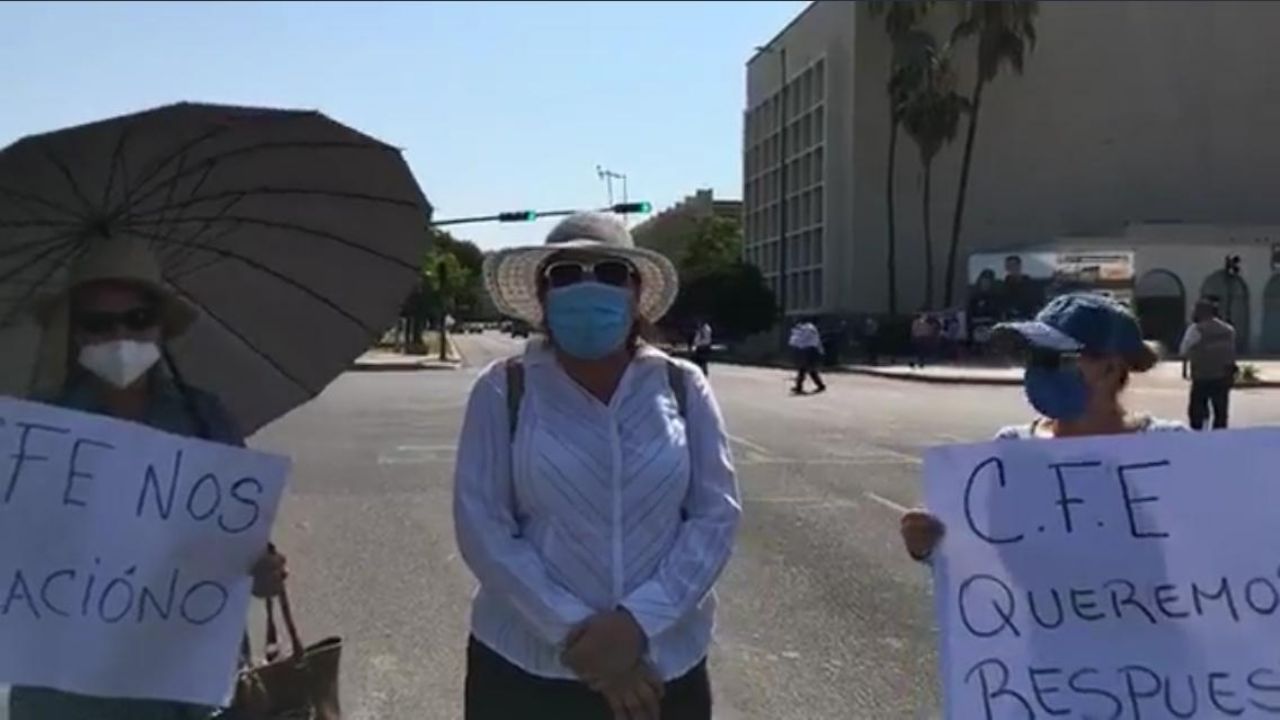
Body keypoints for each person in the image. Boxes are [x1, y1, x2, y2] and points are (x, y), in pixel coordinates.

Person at [455, 212, 741, 720]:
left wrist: (636, 625)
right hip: (525, 674)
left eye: (610, 272)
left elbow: (714, 516)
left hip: (663, 671)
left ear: (636, 294)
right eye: (565, 274)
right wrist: (581, 638)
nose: (588, 286)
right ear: (543, 297)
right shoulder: (504, 389)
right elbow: (484, 530)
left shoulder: (683, 385)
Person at [11, 238, 287, 720]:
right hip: (66, 698)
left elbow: (240, 544)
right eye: (99, 323)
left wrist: (261, 570)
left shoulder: (205, 418)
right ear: (75, 332)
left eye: (137, 319)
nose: (120, 335)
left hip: (185, 691)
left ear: (161, 326)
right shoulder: (34, 432)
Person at [898, 292, 1182, 562]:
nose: (1036, 371)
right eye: (1032, 357)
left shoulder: (1171, 447)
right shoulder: (1010, 448)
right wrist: (929, 544)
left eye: (1050, 359)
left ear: (1109, 369)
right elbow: (981, 557)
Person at [1180, 298, 1238, 430]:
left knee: (1197, 411)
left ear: (1201, 312)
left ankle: (1199, 439)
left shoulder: (1195, 329)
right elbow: (1231, 352)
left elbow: (1183, 349)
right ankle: (1219, 438)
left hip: (1202, 376)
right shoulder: (1228, 330)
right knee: (1221, 412)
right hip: (1223, 375)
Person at [788, 318, 826, 394]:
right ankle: (818, 385)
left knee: (805, 369)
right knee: (806, 370)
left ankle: (801, 387)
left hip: (808, 351)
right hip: (810, 350)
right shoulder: (811, 329)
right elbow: (816, 340)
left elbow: (798, 339)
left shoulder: (807, 328)